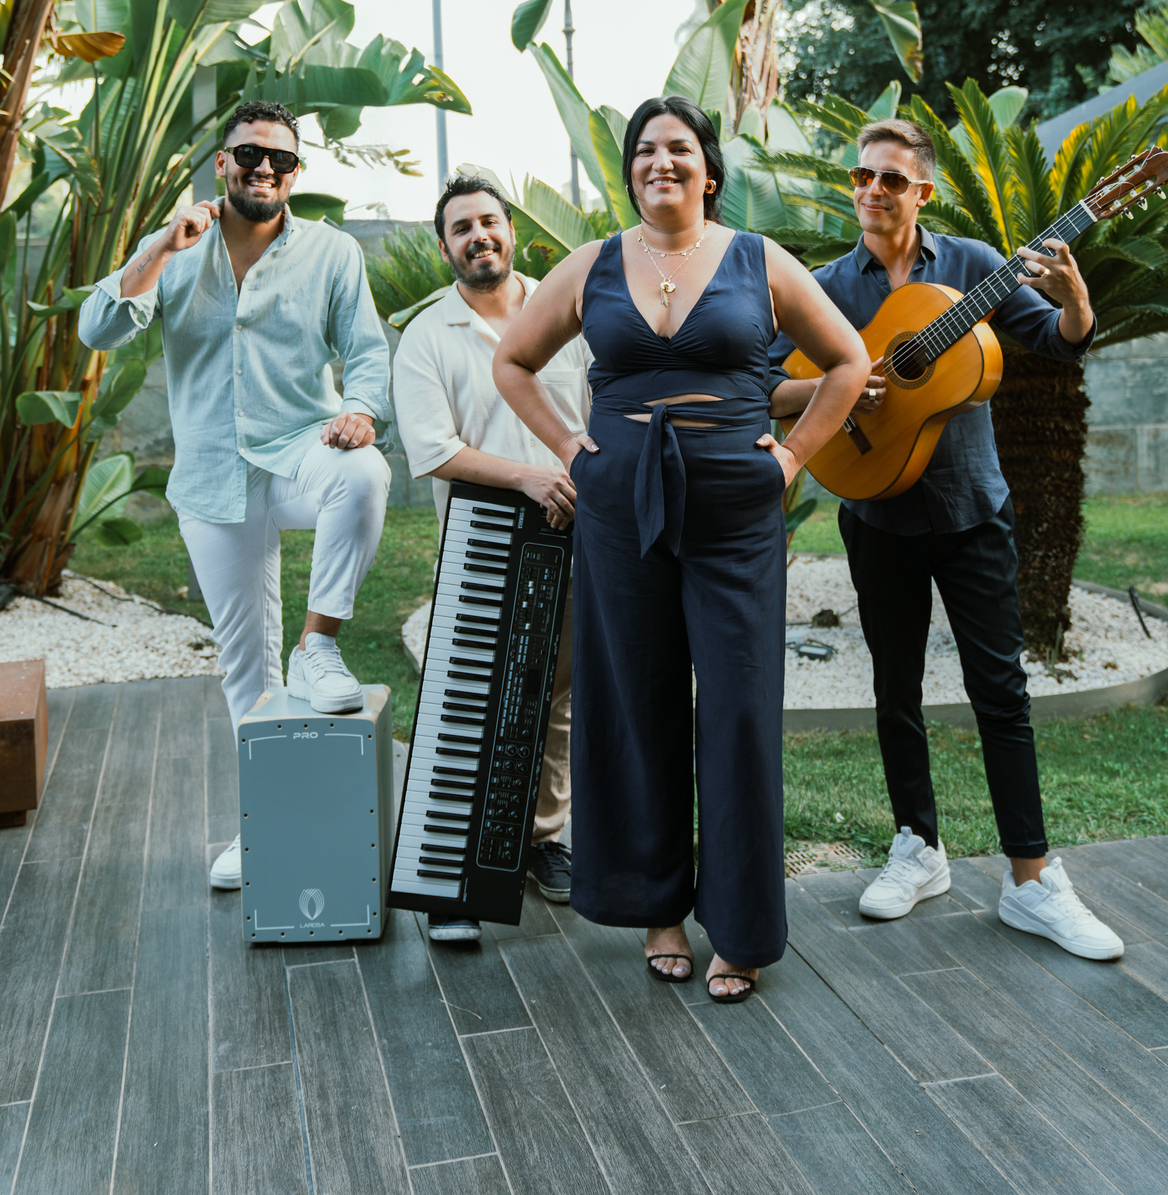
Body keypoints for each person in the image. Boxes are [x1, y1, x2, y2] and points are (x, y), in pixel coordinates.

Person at [492, 97, 869, 1002]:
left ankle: (740, 927)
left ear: (709, 170)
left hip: (735, 515)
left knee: (739, 708)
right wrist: (569, 445)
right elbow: (512, 361)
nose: (661, 161)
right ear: (631, 173)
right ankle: (657, 909)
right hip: (620, 512)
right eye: (645, 150)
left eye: (679, 148)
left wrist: (791, 458)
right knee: (636, 702)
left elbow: (849, 361)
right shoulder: (592, 264)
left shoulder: (758, 259)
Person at [771, 116, 1125, 960]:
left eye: (891, 178)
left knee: (1000, 691)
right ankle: (917, 845)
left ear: (923, 191)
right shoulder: (825, 286)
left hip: (972, 511)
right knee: (895, 689)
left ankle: (1031, 879)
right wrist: (841, 387)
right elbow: (766, 387)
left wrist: (1076, 300)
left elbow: (1055, 342)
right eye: (861, 176)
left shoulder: (973, 267)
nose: (872, 190)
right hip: (876, 511)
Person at [79, 101, 392, 891]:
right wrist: (161, 247)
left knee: (365, 474)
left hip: (301, 453)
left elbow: (366, 351)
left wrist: (360, 408)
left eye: (280, 159)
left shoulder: (331, 252)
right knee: (246, 669)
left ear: (296, 173)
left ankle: (318, 646)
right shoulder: (175, 249)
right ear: (222, 163)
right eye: (249, 154)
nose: (264, 169)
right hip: (213, 475)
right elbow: (97, 329)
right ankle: (267, 833)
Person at [392, 174, 589, 943]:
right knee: (469, 699)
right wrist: (528, 477)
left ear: (512, 232)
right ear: (445, 248)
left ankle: (542, 841)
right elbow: (433, 450)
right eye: (461, 228)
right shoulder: (427, 335)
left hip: (574, 526)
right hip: (483, 534)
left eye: (488, 221)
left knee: (557, 695)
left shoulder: (566, 312)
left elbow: (598, 413)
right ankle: (452, 876)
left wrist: (572, 483)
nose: (478, 236)